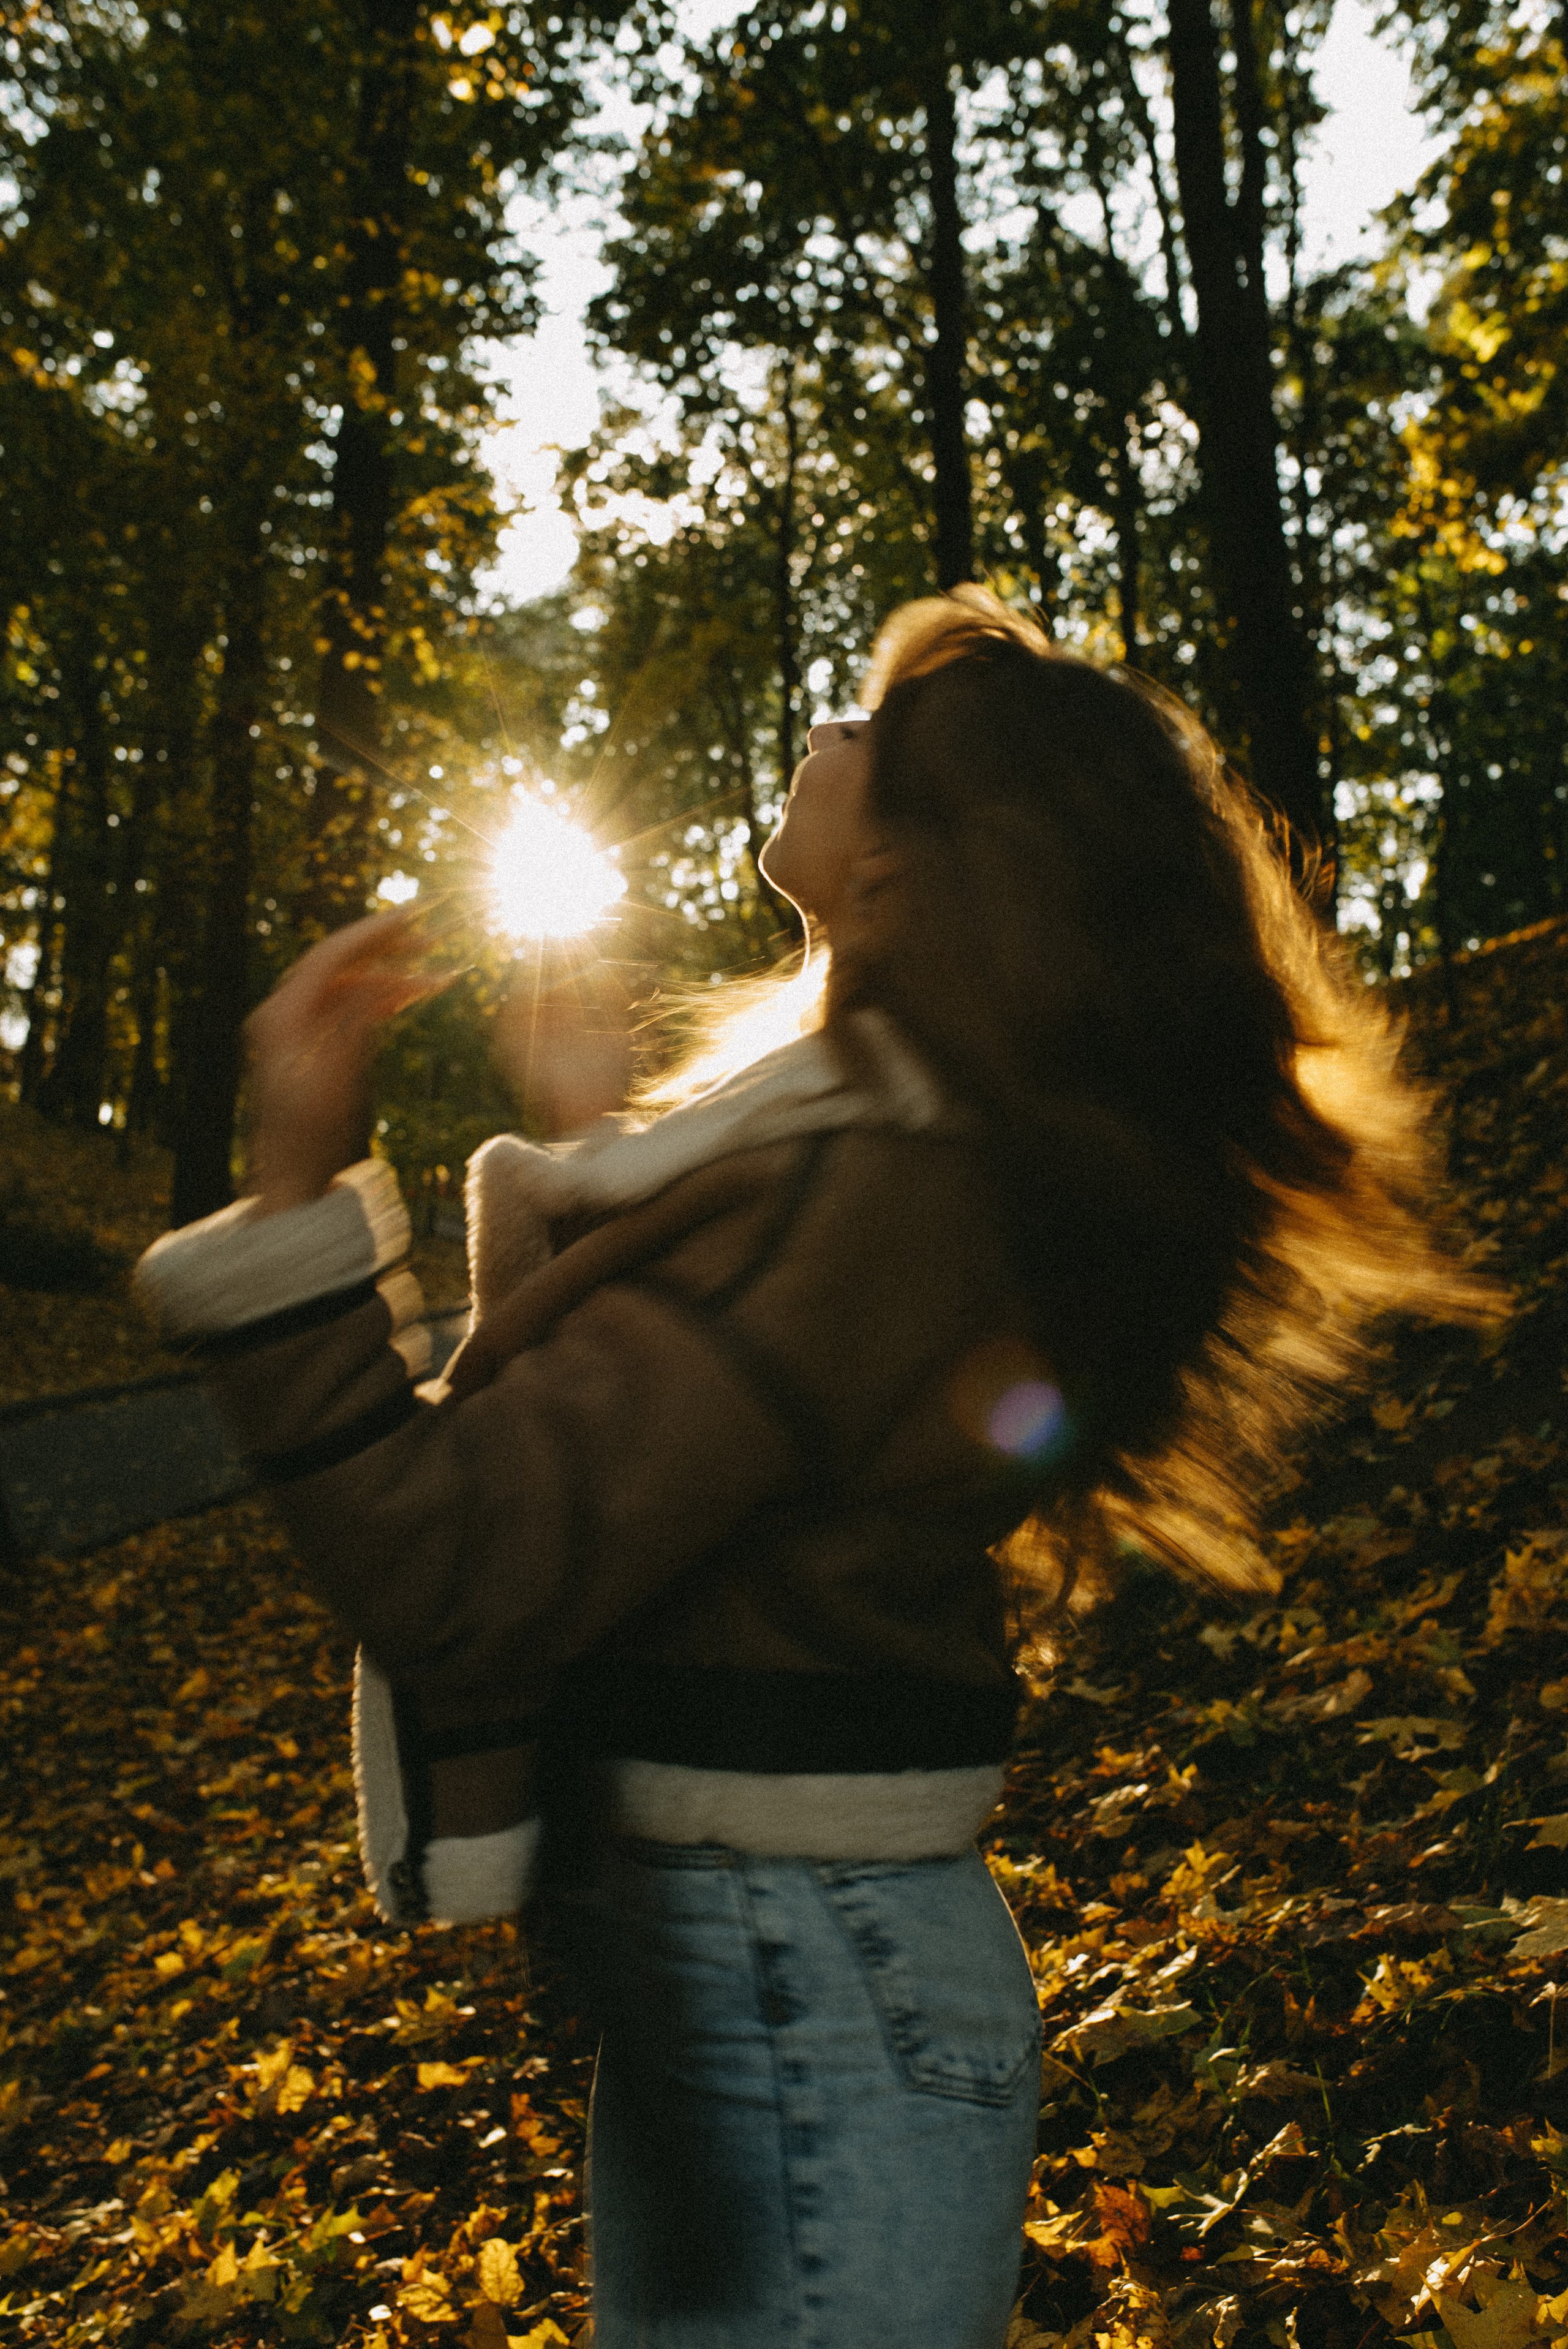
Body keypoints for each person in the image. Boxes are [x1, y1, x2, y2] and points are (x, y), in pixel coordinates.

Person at [134, 586, 1491, 2348]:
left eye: (877, 733)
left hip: (803, 1983)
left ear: (915, 873)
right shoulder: (867, 1168)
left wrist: (299, 1194)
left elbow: (465, 1561)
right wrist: (579, 1150)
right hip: (774, 1974)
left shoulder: (873, 1195)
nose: (833, 728)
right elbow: (653, 1464)